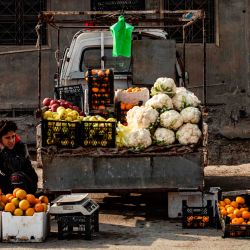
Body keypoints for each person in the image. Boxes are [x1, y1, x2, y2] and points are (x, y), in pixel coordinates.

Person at [0, 120, 38, 194]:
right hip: (9, 184)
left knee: (16, 177)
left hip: (27, 184)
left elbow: (15, 167)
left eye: (13, 136)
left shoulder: (21, 146)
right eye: (7, 138)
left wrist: (3, 149)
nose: (11, 140)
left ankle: (22, 202)